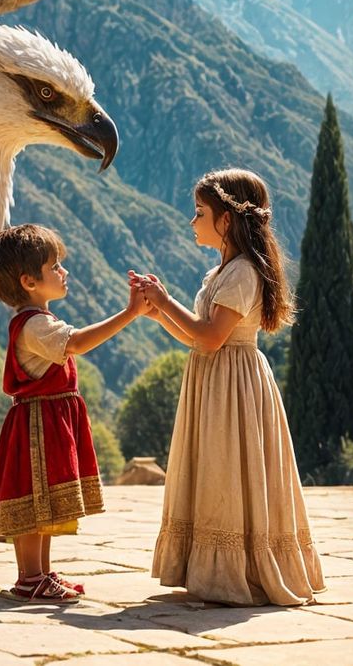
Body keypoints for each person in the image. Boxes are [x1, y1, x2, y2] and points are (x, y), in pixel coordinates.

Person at [135, 168, 326, 606]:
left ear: (226, 220)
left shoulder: (242, 273)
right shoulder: (222, 272)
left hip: (233, 384)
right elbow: (198, 334)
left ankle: (237, 569)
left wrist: (166, 302)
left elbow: (210, 337)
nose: (192, 221)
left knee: (228, 470)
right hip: (219, 378)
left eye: (199, 212)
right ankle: (215, 568)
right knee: (222, 472)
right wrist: (159, 313)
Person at [0, 223, 148, 603]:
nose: (64, 272)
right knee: (32, 501)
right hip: (38, 425)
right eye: (55, 267)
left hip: (49, 421)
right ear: (29, 281)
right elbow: (79, 343)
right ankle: (29, 578)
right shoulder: (36, 326)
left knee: (44, 503)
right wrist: (129, 313)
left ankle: (38, 574)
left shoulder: (40, 321)